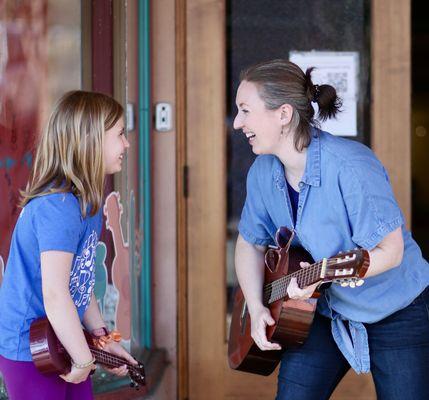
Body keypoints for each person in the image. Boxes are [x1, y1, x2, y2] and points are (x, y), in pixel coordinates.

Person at [233, 59, 429, 400]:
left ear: (283, 114)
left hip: (396, 309)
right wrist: (257, 306)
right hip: (321, 311)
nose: (237, 123)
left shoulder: (351, 167)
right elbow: (249, 243)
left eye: (245, 111)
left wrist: (327, 273)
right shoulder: (262, 172)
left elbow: (391, 251)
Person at [0, 90, 137, 400]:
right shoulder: (59, 207)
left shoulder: (85, 203)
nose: (126, 145)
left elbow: (80, 284)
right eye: (119, 134)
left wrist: (101, 341)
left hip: (63, 340)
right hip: (31, 350)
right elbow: (55, 293)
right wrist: (84, 358)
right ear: (90, 141)